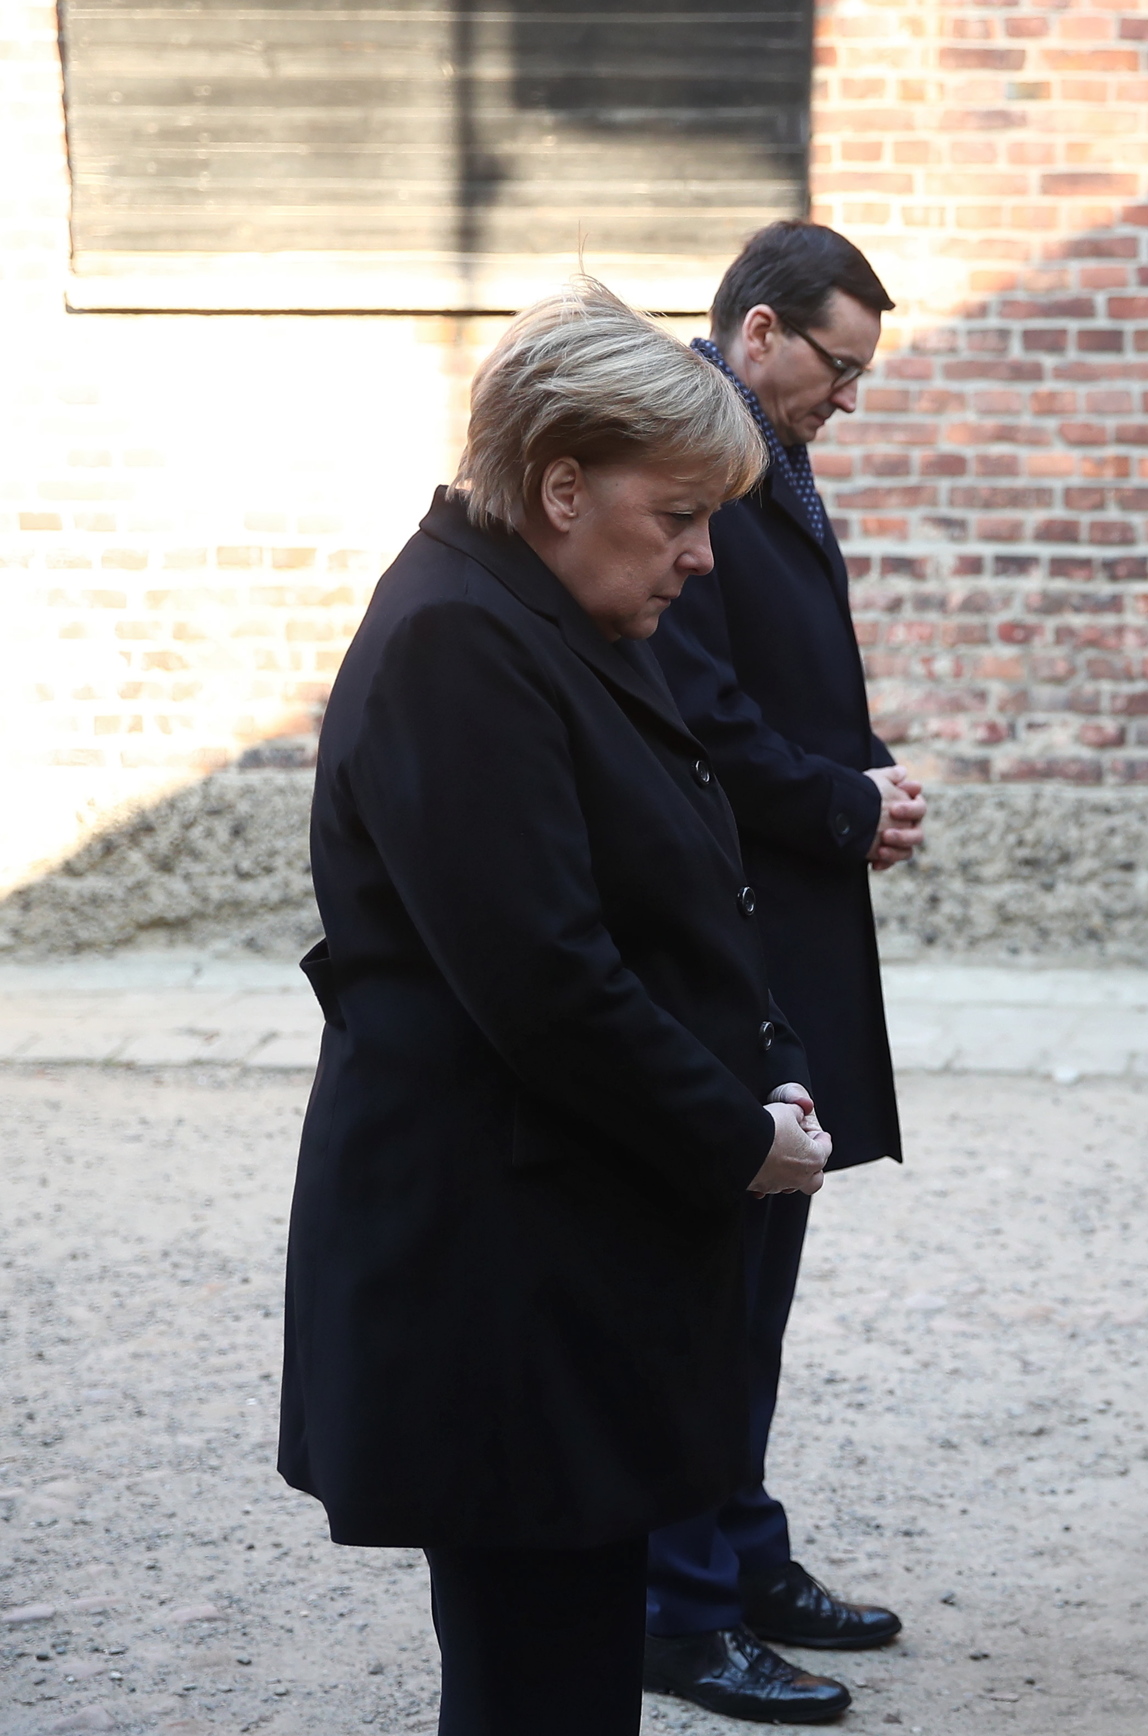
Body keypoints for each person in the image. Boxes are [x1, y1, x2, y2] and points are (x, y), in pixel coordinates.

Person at [277, 279, 840, 1736]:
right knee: (538, 1688)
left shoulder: (542, 611)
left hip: (562, 1256)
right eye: (679, 519)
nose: (703, 560)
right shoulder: (459, 644)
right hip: (500, 1277)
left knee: (579, 1667)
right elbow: (545, 979)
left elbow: (673, 897)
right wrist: (736, 1133)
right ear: (561, 483)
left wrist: (766, 1068)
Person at [637, 218, 924, 1724]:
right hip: (728, 930)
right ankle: (680, 1610)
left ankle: (739, 1557)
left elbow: (783, 683)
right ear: (758, 335)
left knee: (764, 1272)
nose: (845, 398)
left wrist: (863, 778)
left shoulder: (758, 451)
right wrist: (837, 800)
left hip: (783, 912)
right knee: (715, 1277)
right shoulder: (695, 462)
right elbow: (699, 703)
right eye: (837, 366)